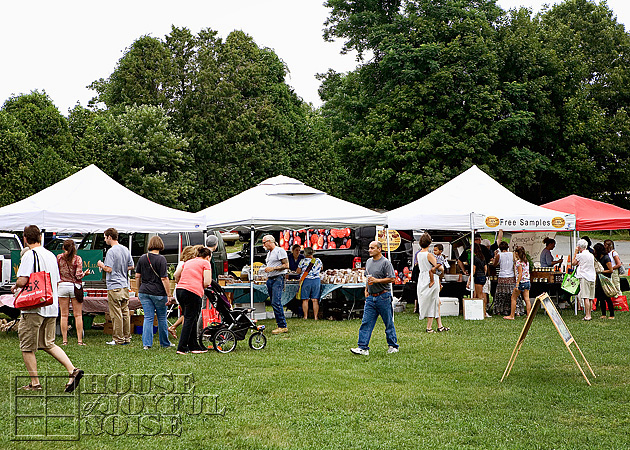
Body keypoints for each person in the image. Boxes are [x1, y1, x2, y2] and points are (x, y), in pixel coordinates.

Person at [12, 225, 83, 392]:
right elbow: (55, 280)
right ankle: (72, 370)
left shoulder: (30, 254)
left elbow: (23, 280)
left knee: (27, 347)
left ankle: (35, 383)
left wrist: (15, 286)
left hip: (33, 307)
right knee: (48, 343)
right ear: (40, 238)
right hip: (51, 306)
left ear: (24, 238)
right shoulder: (51, 255)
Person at [351, 241, 399, 355]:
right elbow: (368, 277)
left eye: (372, 248)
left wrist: (377, 281)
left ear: (379, 249)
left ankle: (393, 346)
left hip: (383, 296)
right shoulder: (368, 262)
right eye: (369, 248)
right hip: (371, 298)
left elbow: (392, 279)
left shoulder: (386, 263)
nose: (370, 250)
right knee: (366, 322)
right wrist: (366, 289)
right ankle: (363, 347)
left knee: (388, 322)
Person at [135, 235, 174, 350]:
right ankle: (164, 343)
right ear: (160, 245)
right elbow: (164, 278)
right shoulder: (161, 259)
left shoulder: (143, 258)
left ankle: (146, 344)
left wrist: (138, 290)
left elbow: (137, 276)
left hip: (144, 291)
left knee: (148, 317)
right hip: (158, 293)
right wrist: (169, 294)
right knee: (161, 318)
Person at [97, 228, 134, 346]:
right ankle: (127, 337)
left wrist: (101, 265)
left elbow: (109, 268)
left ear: (109, 237)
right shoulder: (125, 249)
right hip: (124, 284)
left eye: (104, 237)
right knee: (125, 312)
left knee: (116, 313)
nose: (104, 240)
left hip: (114, 285)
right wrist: (121, 269)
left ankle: (118, 338)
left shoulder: (111, 251)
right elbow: (131, 266)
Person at [174, 246, 213, 354]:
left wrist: (181, 282)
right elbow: (207, 281)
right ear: (208, 257)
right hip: (193, 292)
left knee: (192, 318)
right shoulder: (206, 263)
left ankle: (193, 346)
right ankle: (181, 347)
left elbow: (176, 275)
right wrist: (202, 285)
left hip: (180, 291)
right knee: (190, 319)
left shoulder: (188, 262)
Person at [57, 239, 88, 346]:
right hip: (75, 286)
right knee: (78, 315)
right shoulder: (77, 259)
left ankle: (64, 341)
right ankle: (79, 341)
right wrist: (85, 274)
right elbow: (78, 275)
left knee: (64, 315)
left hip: (62, 286)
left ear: (63, 248)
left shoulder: (59, 258)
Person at [417, 233, 449, 333]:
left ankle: (440, 326)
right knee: (433, 302)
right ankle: (429, 327)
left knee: (436, 302)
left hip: (422, 277)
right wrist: (442, 269)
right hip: (430, 277)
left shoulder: (418, 254)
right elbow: (438, 267)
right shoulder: (429, 255)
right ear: (430, 243)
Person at [168, 245, 199, 339]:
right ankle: (177, 329)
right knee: (188, 314)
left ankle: (175, 328)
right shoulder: (184, 264)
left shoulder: (183, 262)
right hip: (186, 289)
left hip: (181, 289)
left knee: (186, 313)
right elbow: (176, 275)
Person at [263, 235, 290, 334]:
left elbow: (286, 265)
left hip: (278, 278)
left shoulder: (280, 251)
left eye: (264, 242)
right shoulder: (269, 253)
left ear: (270, 241)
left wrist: (273, 269)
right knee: (273, 302)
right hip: (271, 279)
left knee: (276, 302)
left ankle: (282, 325)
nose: (263, 245)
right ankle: (280, 324)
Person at [504, 246, 531, 319]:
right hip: (527, 281)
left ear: (517, 253)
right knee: (527, 299)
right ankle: (529, 316)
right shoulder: (526, 261)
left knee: (513, 298)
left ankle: (512, 315)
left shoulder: (519, 263)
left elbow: (520, 274)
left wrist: (517, 284)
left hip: (521, 282)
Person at [296, 247, 323, 320]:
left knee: (305, 299)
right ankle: (315, 317)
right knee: (315, 299)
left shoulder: (302, 261)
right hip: (316, 280)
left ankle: (305, 316)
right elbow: (322, 268)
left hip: (306, 280)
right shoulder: (318, 260)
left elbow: (298, 271)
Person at [492, 241, 515, 317]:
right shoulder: (512, 254)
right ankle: (513, 310)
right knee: (512, 294)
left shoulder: (499, 255)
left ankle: (499, 310)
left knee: (501, 295)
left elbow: (494, 264)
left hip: (502, 276)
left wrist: (495, 256)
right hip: (511, 275)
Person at [574, 239, 595, 321]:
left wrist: (575, 252)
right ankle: (589, 313)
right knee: (590, 297)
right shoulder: (591, 255)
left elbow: (573, 263)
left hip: (584, 276)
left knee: (585, 297)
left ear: (579, 247)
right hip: (592, 276)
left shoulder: (581, 255)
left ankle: (587, 315)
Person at [466, 244, 490, 318]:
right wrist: (484, 274)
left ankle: (483, 312)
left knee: (479, 296)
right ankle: (482, 311)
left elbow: (473, 270)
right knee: (482, 294)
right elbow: (485, 268)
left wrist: (469, 281)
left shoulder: (474, 258)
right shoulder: (482, 257)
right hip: (483, 277)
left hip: (478, 277)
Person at [593, 242, 615, 320]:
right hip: (599, 280)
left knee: (607, 297)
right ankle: (603, 314)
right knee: (601, 297)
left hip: (605, 280)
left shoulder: (606, 258)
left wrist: (601, 272)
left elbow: (611, 270)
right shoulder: (598, 258)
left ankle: (612, 314)